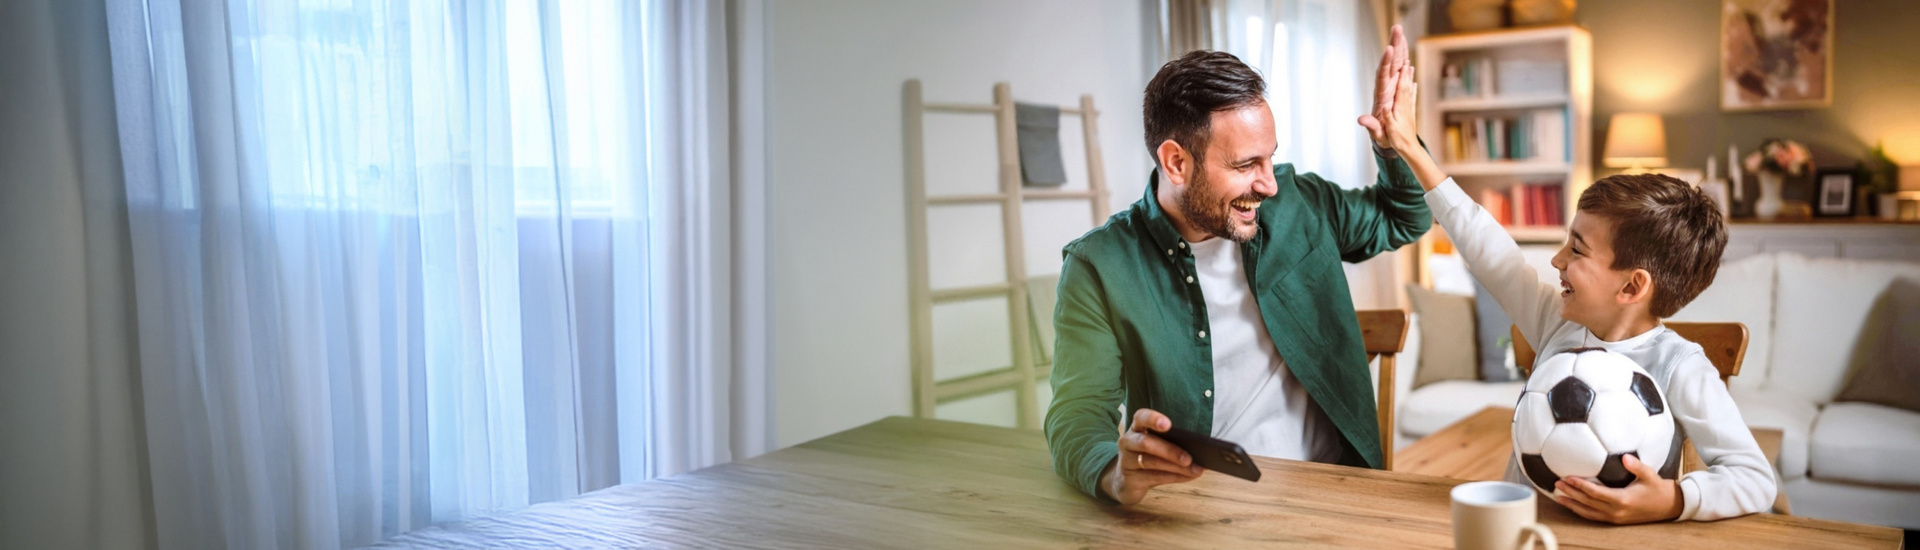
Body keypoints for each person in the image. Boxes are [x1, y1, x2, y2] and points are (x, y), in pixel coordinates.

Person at [1369, 58, 1778, 522]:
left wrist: (1672, 499)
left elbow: (1756, 480)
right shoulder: (1556, 322)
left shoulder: (1680, 367)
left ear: (1631, 286)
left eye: (1577, 251)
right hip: (1524, 531)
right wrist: (1408, 146)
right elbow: (1487, 246)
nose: (1557, 260)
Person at [1044, 25, 1431, 505]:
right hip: (1200, 505)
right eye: (1246, 165)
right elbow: (1077, 414)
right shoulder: (1099, 266)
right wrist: (1111, 473)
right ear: (1176, 163)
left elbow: (1406, 216)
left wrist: (1397, 144)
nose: (1268, 184)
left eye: (1270, 159)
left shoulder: (1299, 204)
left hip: (1334, 490)